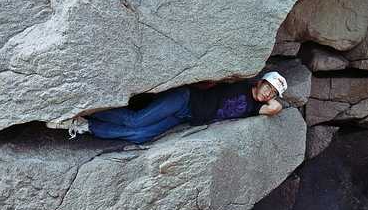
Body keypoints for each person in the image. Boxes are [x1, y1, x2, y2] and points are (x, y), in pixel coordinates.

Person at [46, 71, 288, 143]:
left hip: (186, 117)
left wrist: (270, 96)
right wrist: (258, 89)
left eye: (272, 92)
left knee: (141, 135)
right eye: (268, 87)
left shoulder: (255, 109)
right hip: (184, 99)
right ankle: (85, 111)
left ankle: (86, 126)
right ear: (261, 81)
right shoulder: (242, 84)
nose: (269, 93)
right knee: (137, 120)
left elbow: (276, 108)